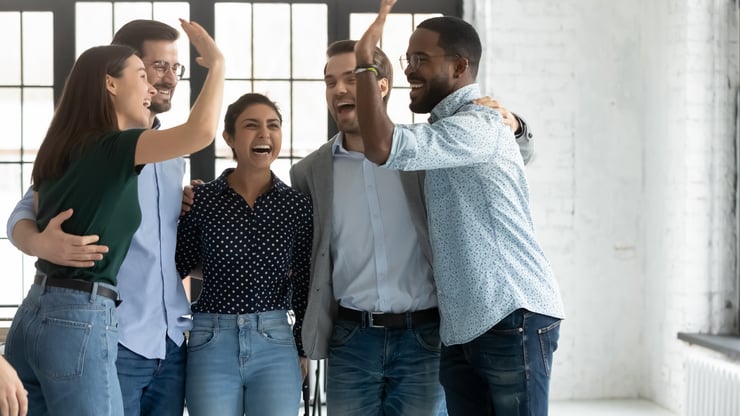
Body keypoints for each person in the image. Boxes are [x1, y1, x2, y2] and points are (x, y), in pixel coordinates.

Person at [289, 39, 535, 416]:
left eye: (351, 79)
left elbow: (511, 157)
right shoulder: (309, 173)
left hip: (425, 338)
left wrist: (516, 126)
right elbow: (306, 258)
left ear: (380, 86)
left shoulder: (424, 152)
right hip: (351, 340)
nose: (339, 90)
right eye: (329, 82)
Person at [353, 1, 566, 415]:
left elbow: (381, 147)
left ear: (459, 67)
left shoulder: (477, 124)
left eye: (421, 59)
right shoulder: (458, 128)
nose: (411, 69)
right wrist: (517, 125)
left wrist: (366, 66)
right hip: (466, 325)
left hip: (510, 315)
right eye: (407, 58)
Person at [3, 19, 224, 416]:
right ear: (113, 79)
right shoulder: (114, 147)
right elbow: (24, 214)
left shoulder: (86, 143)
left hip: (161, 336)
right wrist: (40, 242)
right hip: (102, 327)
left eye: (176, 68)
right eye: (151, 69)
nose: (164, 81)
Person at [176, 93, 312, 416]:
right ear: (229, 138)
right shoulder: (202, 200)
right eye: (252, 126)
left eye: (273, 126)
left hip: (275, 341)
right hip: (210, 340)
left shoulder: (296, 206)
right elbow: (175, 266)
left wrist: (302, 348)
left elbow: (306, 280)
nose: (265, 134)